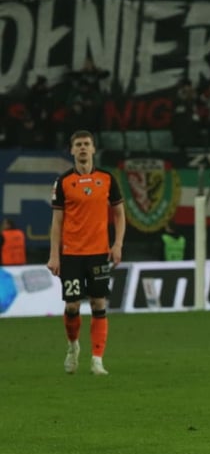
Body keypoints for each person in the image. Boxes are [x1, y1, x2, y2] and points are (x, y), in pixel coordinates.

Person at [47, 130, 126, 376]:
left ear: (93, 149)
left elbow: (119, 214)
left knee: (98, 303)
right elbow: (57, 222)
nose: (82, 148)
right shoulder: (63, 182)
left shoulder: (107, 179)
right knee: (72, 306)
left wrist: (117, 244)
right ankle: (73, 347)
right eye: (78, 144)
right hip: (71, 253)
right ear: (72, 150)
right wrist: (54, 255)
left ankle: (97, 360)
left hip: (99, 252)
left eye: (86, 144)